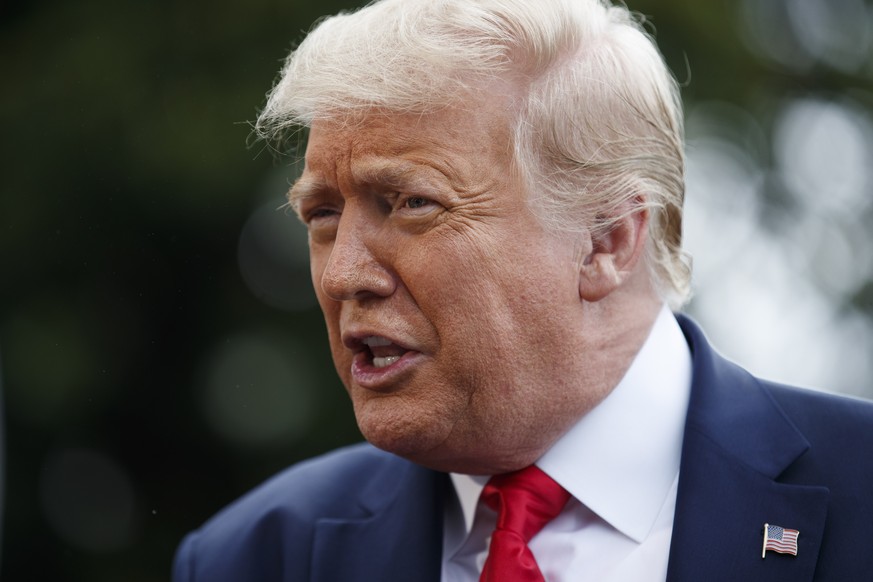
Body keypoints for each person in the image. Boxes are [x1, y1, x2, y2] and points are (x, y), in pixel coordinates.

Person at [172, 0, 873, 580]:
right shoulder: (253, 557)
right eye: (322, 214)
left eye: (411, 203)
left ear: (606, 240)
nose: (343, 273)